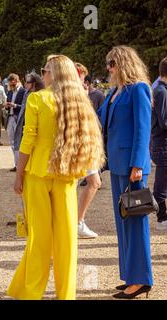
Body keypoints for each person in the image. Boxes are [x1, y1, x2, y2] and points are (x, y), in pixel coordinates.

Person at [7, 55, 105, 300]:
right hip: (66, 175)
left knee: (39, 238)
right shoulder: (79, 101)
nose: (43, 74)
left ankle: (31, 292)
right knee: (67, 239)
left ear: (54, 73)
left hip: (38, 174)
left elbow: (27, 140)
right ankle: (65, 294)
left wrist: (19, 175)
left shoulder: (37, 98)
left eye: (45, 70)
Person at [97, 46, 153, 299]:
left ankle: (141, 280)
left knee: (135, 221)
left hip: (132, 167)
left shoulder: (138, 89)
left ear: (123, 63)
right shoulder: (114, 92)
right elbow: (100, 120)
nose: (108, 68)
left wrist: (138, 165)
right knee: (123, 222)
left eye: (112, 63)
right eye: (108, 64)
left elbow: (143, 129)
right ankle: (131, 275)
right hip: (117, 164)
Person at [75, 63, 101, 239]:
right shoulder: (76, 94)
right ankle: (76, 222)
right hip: (80, 144)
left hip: (84, 143)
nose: (85, 82)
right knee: (91, 182)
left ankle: (76, 221)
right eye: (83, 77)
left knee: (93, 182)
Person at [151, 56, 167, 231]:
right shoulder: (162, 92)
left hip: (162, 144)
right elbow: (164, 121)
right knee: (160, 188)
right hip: (163, 145)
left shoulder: (162, 90)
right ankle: (161, 218)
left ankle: (162, 218)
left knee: (162, 185)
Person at [5, 74, 26, 172]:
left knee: (18, 142)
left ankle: (20, 165)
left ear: (16, 81)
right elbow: (7, 104)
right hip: (10, 118)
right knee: (12, 141)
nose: (11, 85)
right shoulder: (9, 92)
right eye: (10, 83)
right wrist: (7, 105)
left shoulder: (23, 92)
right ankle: (16, 163)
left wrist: (14, 105)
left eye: (12, 83)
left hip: (18, 119)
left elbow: (24, 106)